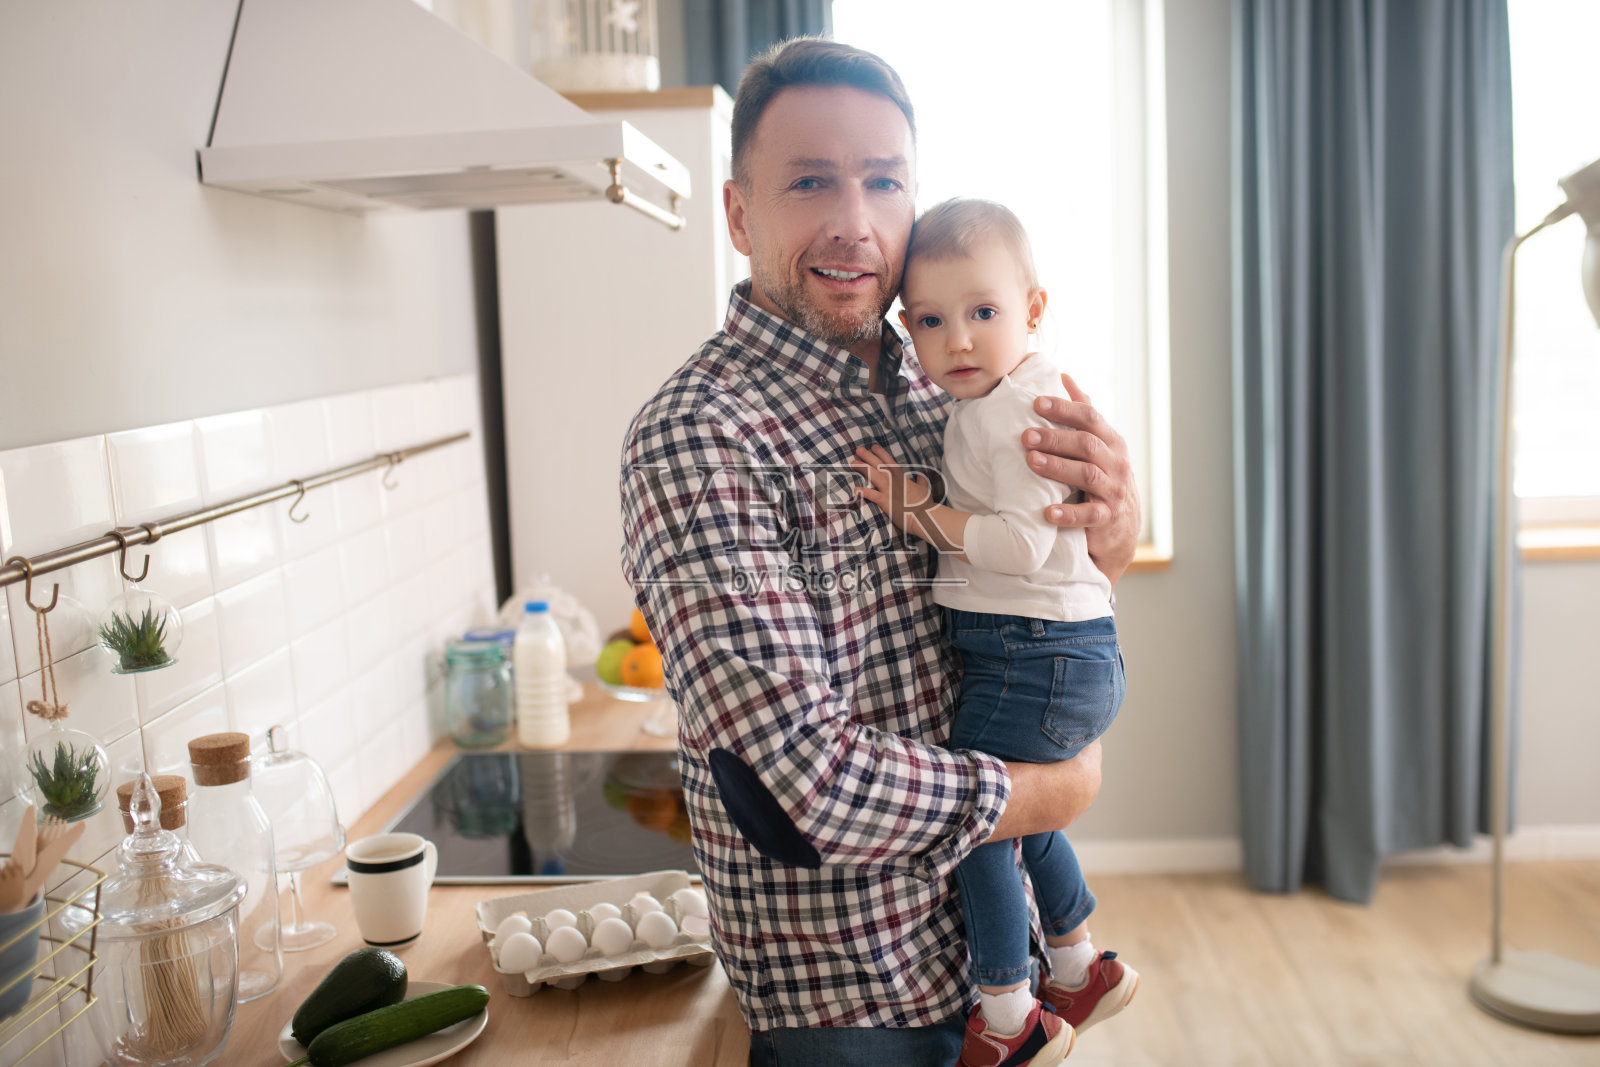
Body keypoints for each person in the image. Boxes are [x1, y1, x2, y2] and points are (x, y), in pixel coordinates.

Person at [618, 37, 1141, 1067]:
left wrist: (1110, 527)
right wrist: (1050, 791)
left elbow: (1042, 581)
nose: (854, 222)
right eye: (810, 181)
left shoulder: (951, 380)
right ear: (738, 214)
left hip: (1002, 964)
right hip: (855, 995)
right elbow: (802, 778)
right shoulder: (699, 434)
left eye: (884, 182)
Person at [852, 198, 1138, 1066]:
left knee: (975, 818)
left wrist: (919, 510)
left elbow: (1021, 544)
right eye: (934, 321)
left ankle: (1010, 1015)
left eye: (984, 313)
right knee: (1019, 815)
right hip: (1058, 655)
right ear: (909, 327)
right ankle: (1082, 964)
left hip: (1033, 656)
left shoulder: (1007, 413)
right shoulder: (1008, 394)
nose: (960, 341)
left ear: (1034, 310)